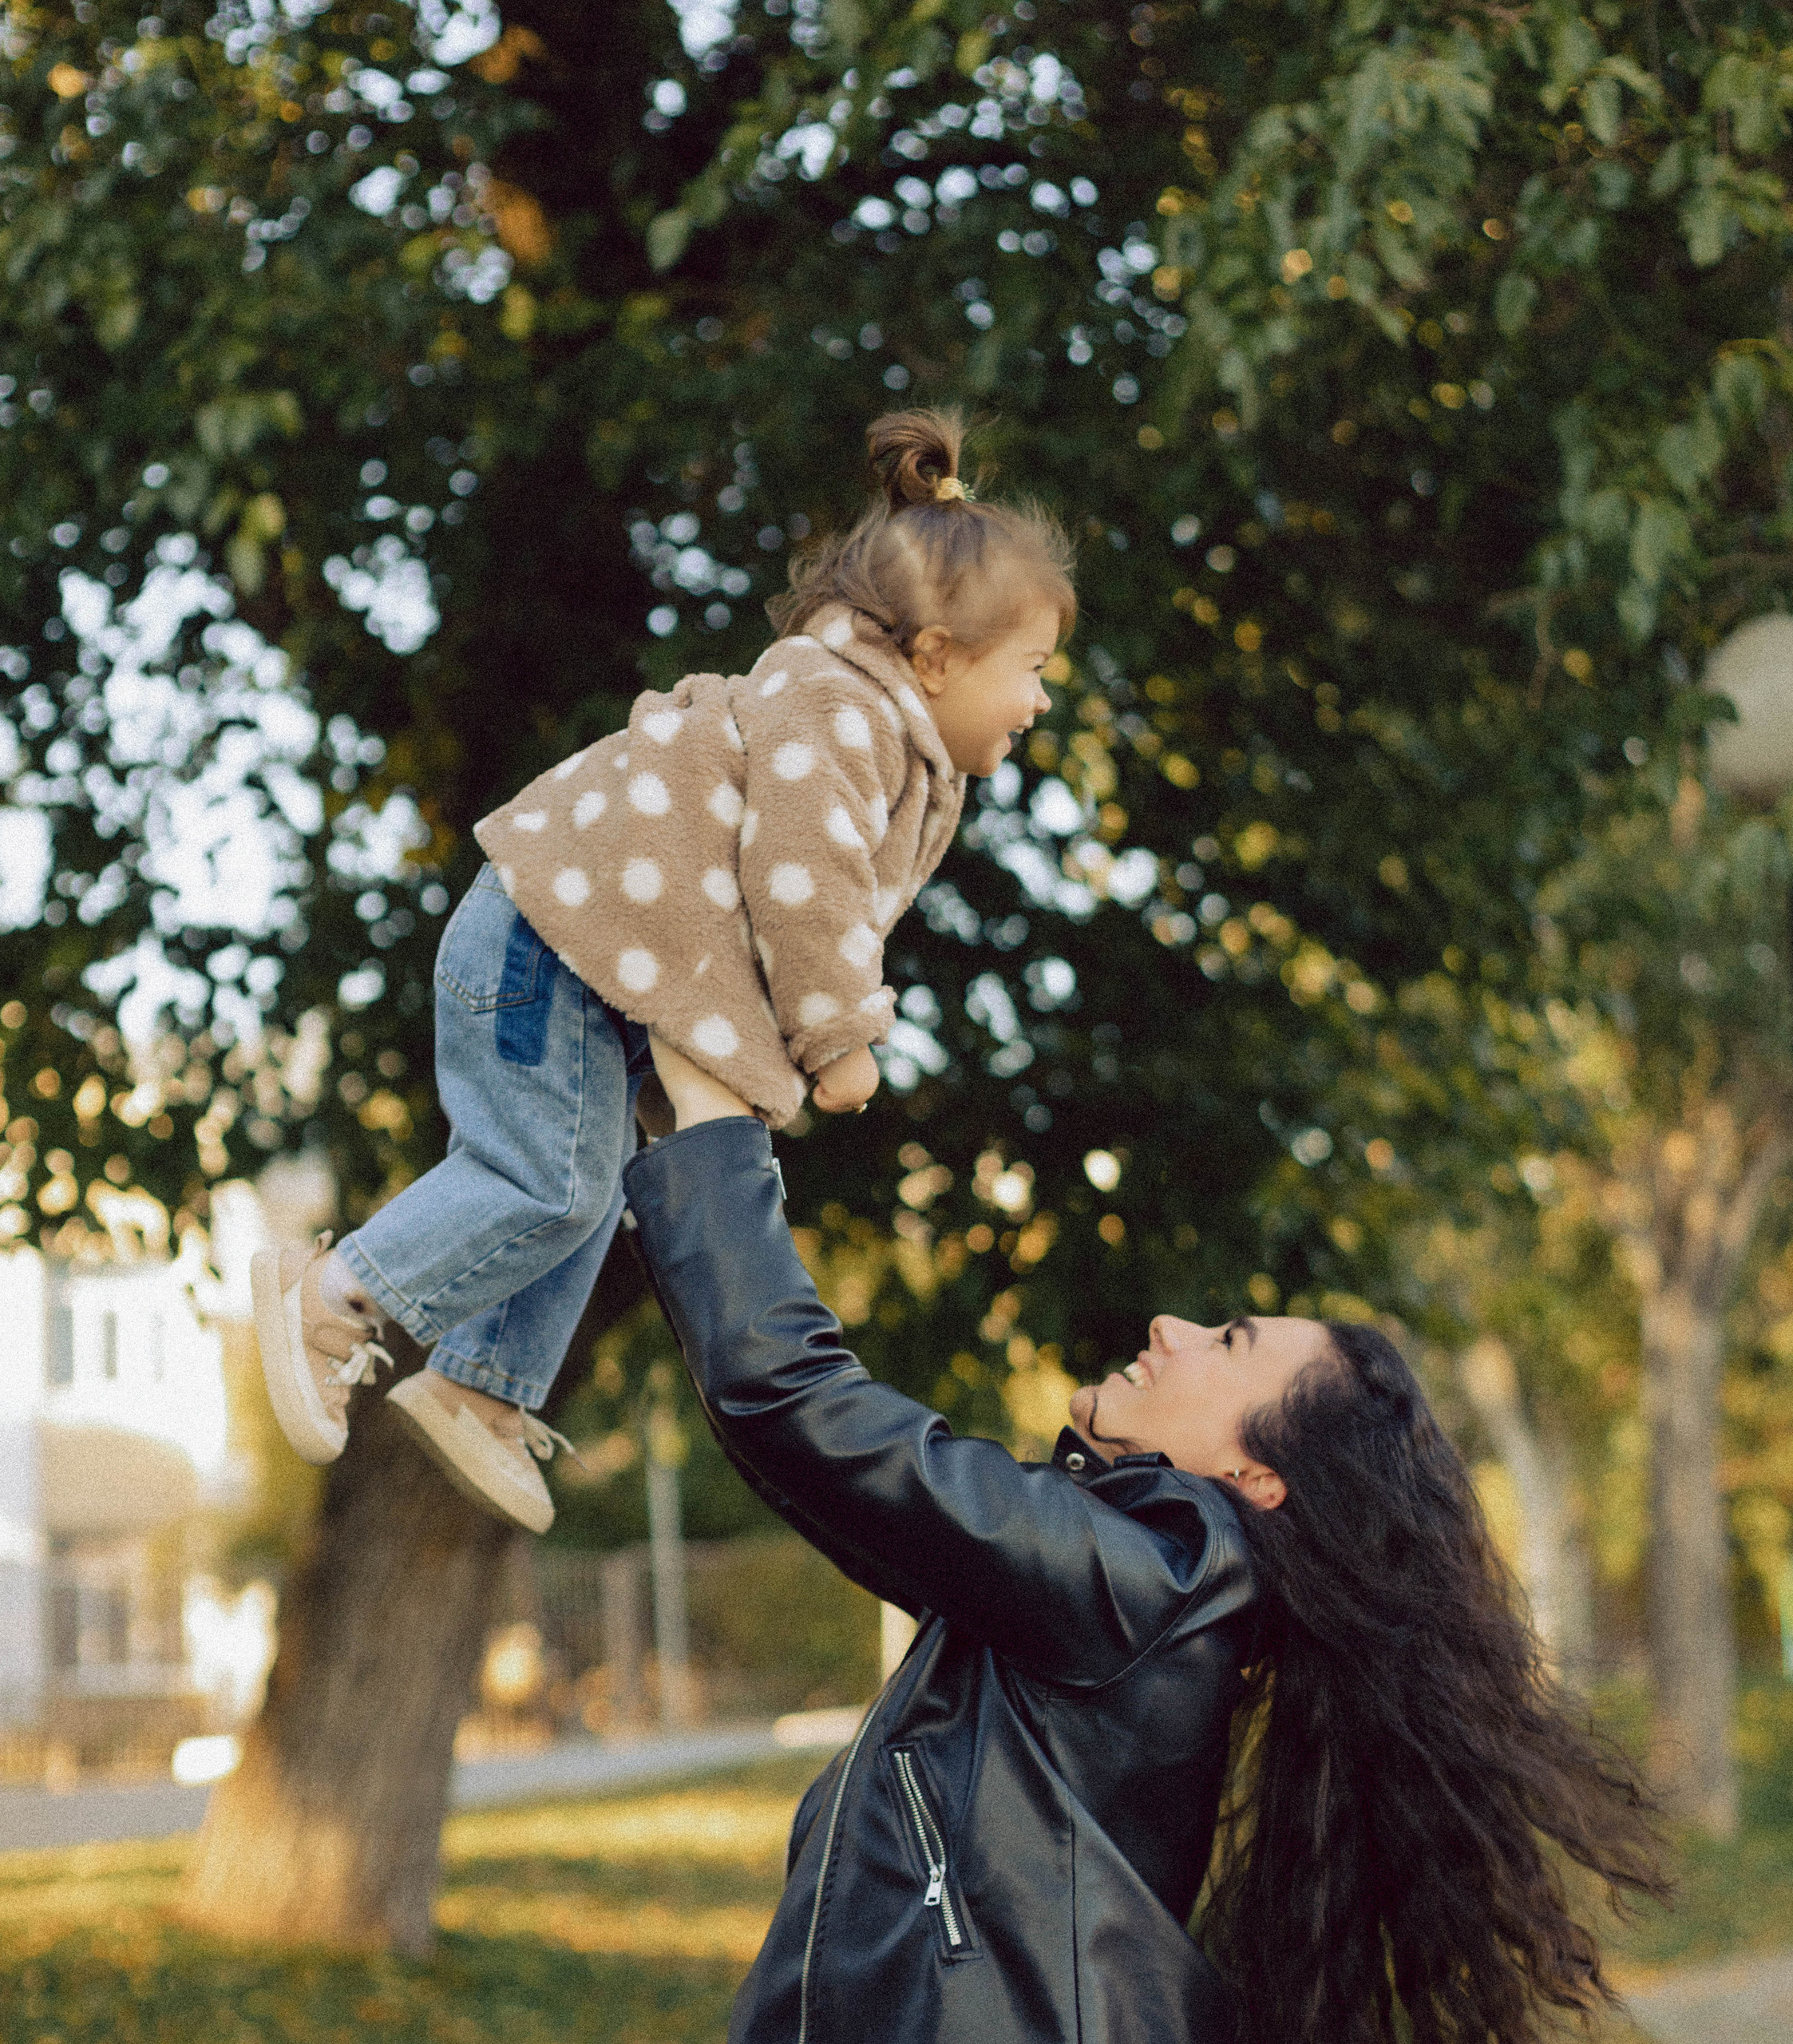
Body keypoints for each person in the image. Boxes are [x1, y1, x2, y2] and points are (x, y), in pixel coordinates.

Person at [627, 1035, 1668, 2044]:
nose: (1173, 1327)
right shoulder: (1155, 1599)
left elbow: (800, 1406)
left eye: (1229, 1344)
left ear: (1260, 1476)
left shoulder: (1159, 1581)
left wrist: (713, 1136)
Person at [248, 410, 1074, 1532]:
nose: (1041, 698)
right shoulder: (838, 715)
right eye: (1031, 669)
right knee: (547, 1179)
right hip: (542, 945)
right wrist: (838, 1038)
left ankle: (481, 1391)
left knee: (586, 1193)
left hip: (577, 969)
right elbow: (803, 880)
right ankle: (334, 1296)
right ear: (936, 659)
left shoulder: (889, 739)